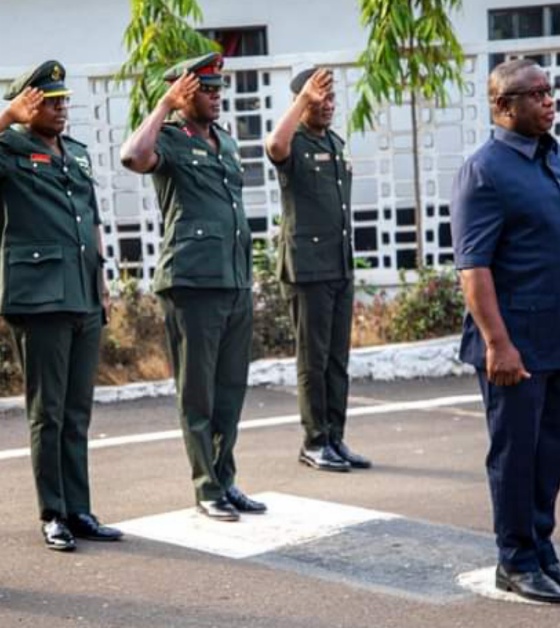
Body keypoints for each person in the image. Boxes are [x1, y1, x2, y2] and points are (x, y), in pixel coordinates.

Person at [450, 58, 560, 604]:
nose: (547, 100)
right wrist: (497, 343)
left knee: (552, 451)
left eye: (548, 91)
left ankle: (543, 550)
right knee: (516, 455)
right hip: (516, 344)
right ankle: (514, 560)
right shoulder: (485, 170)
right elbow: (474, 267)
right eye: (533, 94)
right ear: (502, 106)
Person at [119, 52, 265, 522]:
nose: (216, 96)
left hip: (234, 279)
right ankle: (206, 487)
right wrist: (163, 105)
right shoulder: (168, 138)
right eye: (206, 89)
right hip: (192, 280)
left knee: (230, 390)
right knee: (198, 392)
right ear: (184, 93)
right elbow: (132, 156)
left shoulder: (223, 140)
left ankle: (225, 478)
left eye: (218, 88)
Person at [0, 60, 123, 551]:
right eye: (49, 102)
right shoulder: (9, 149)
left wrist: (102, 279)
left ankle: (79, 509)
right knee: (46, 411)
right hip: (40, 296)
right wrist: (7, 116)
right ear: (27, 104)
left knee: (77, 411)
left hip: (83, 293)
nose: (61, 109)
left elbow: (89, 216)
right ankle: (52, 511)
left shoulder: (77, 153)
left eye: (64, 100)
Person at [265, 67, 369, 473]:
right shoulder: (293, 143)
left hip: (338, 264)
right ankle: (314, 441)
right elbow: (274, 143)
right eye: (317, 99)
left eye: (330, 99)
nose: (326, 105)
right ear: (302, 102)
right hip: (307, 268)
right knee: (313, 359)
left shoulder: (334, 142)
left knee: (336, 359)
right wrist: (301, 101)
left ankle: (335, 437)